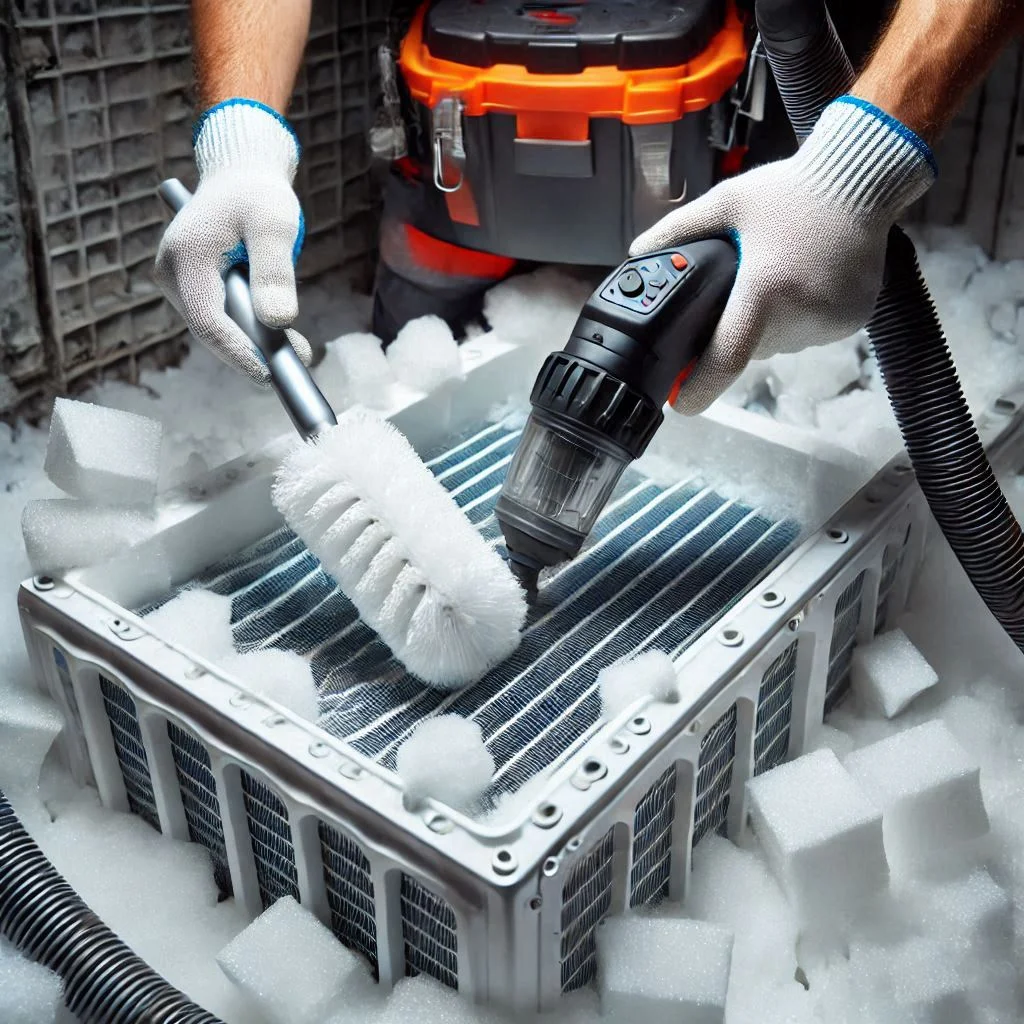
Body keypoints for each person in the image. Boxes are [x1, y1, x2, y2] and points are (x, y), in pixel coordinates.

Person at [156, 0, 1024, 402]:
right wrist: (241, 138)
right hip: (454, 194)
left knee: (765, 402)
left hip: (726, 204)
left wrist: (854, 167)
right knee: (407, 386)